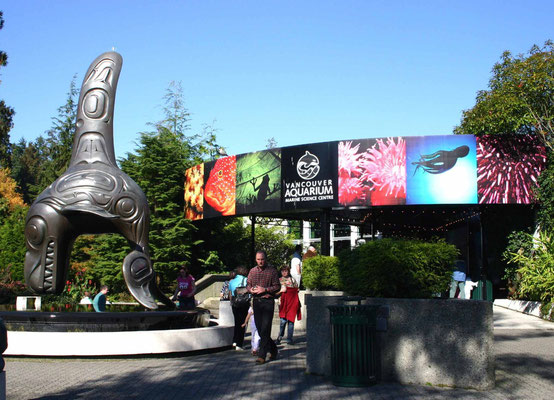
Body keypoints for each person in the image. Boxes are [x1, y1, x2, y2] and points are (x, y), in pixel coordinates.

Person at [247, 250, 280, 364]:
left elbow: (277, 286)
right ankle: (273, 348)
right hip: (256, 301)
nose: (260, 261)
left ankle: (262, 355)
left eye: (262, 259)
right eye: (258, 259)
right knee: (260, 329)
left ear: (266, 259)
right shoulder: (252, 271)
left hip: (267, 302)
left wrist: (265, 289)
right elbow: (248, 284)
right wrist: (250, 289)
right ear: (256, 259)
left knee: (266, 328)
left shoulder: (272, 271)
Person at [276, 266, 301, 345]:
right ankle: (280, 336)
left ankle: (289, 338)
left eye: (286, 271)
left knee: (291, 321)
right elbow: (275, 293)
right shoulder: (278, 281)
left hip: (291, 303)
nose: (284, 272)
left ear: (288, 271)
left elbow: (296, 288)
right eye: (283, 271)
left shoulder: (293, 280)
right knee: (283, 321)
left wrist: (297, 290)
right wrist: (281, 291)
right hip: (282, 303)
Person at [228, 266, 250, 350]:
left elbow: (230, 294)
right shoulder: (247, 280)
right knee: (243, 323)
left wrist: (231, 303)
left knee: (236, 322)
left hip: (234, 303)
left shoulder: (231, 281)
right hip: (244, 303)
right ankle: (239, 344)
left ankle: (234, 341)